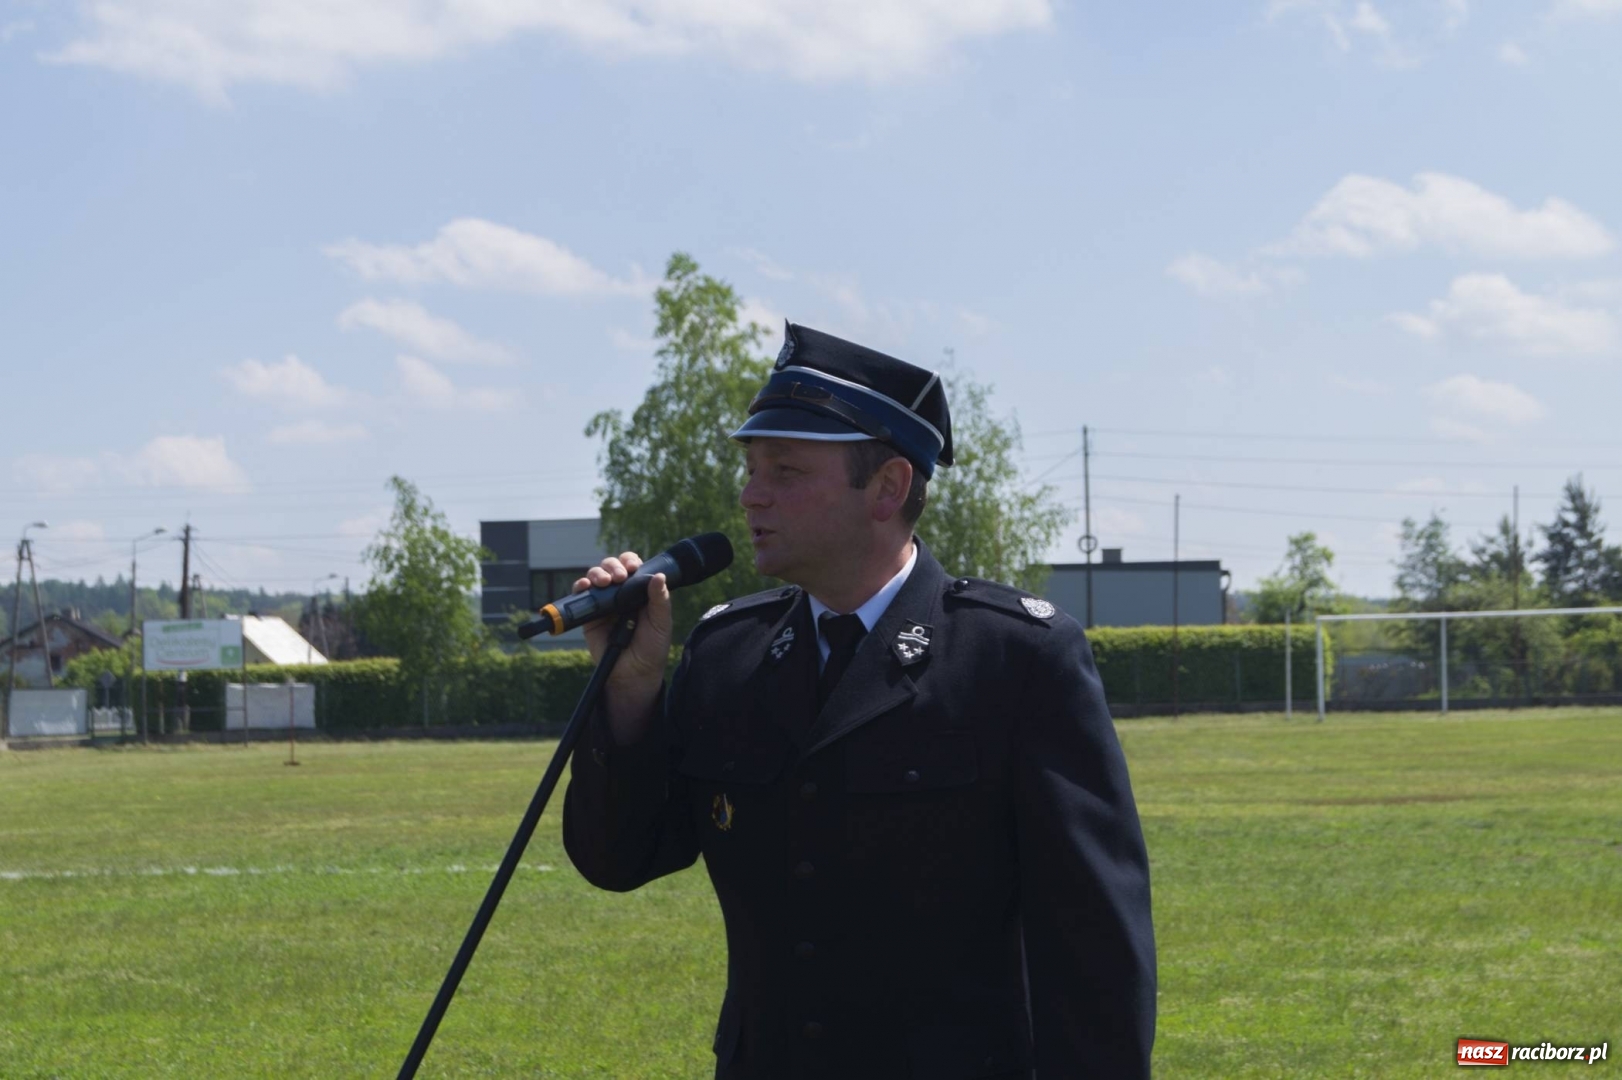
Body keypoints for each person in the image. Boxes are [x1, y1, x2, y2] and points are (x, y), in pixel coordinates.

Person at [563, 323, 1155, 1079]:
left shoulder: (1016, 658)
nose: (751, 494)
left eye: (785, 469)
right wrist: (630, 689)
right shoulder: (726, 654)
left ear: (887, 488)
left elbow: (1094, 951)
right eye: (751, 467)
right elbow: (619, 858)